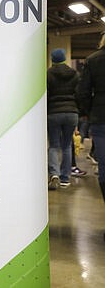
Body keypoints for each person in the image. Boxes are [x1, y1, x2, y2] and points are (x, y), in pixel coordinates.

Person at [77, 33, 105, 202]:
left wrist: (88, 111)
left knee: (104, 167)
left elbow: (83, 92)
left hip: (101, 117)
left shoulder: (93, 60)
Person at [47, 48, 79, 190]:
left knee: (54, 145)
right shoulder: (75, 74)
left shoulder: (48, 74)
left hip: (53, 113)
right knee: (67, 146)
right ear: (64, 58)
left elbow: (46, 95)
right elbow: (79, 94)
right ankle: (65, 178)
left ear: (52, 59)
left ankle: (54, 174)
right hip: (71, 113)